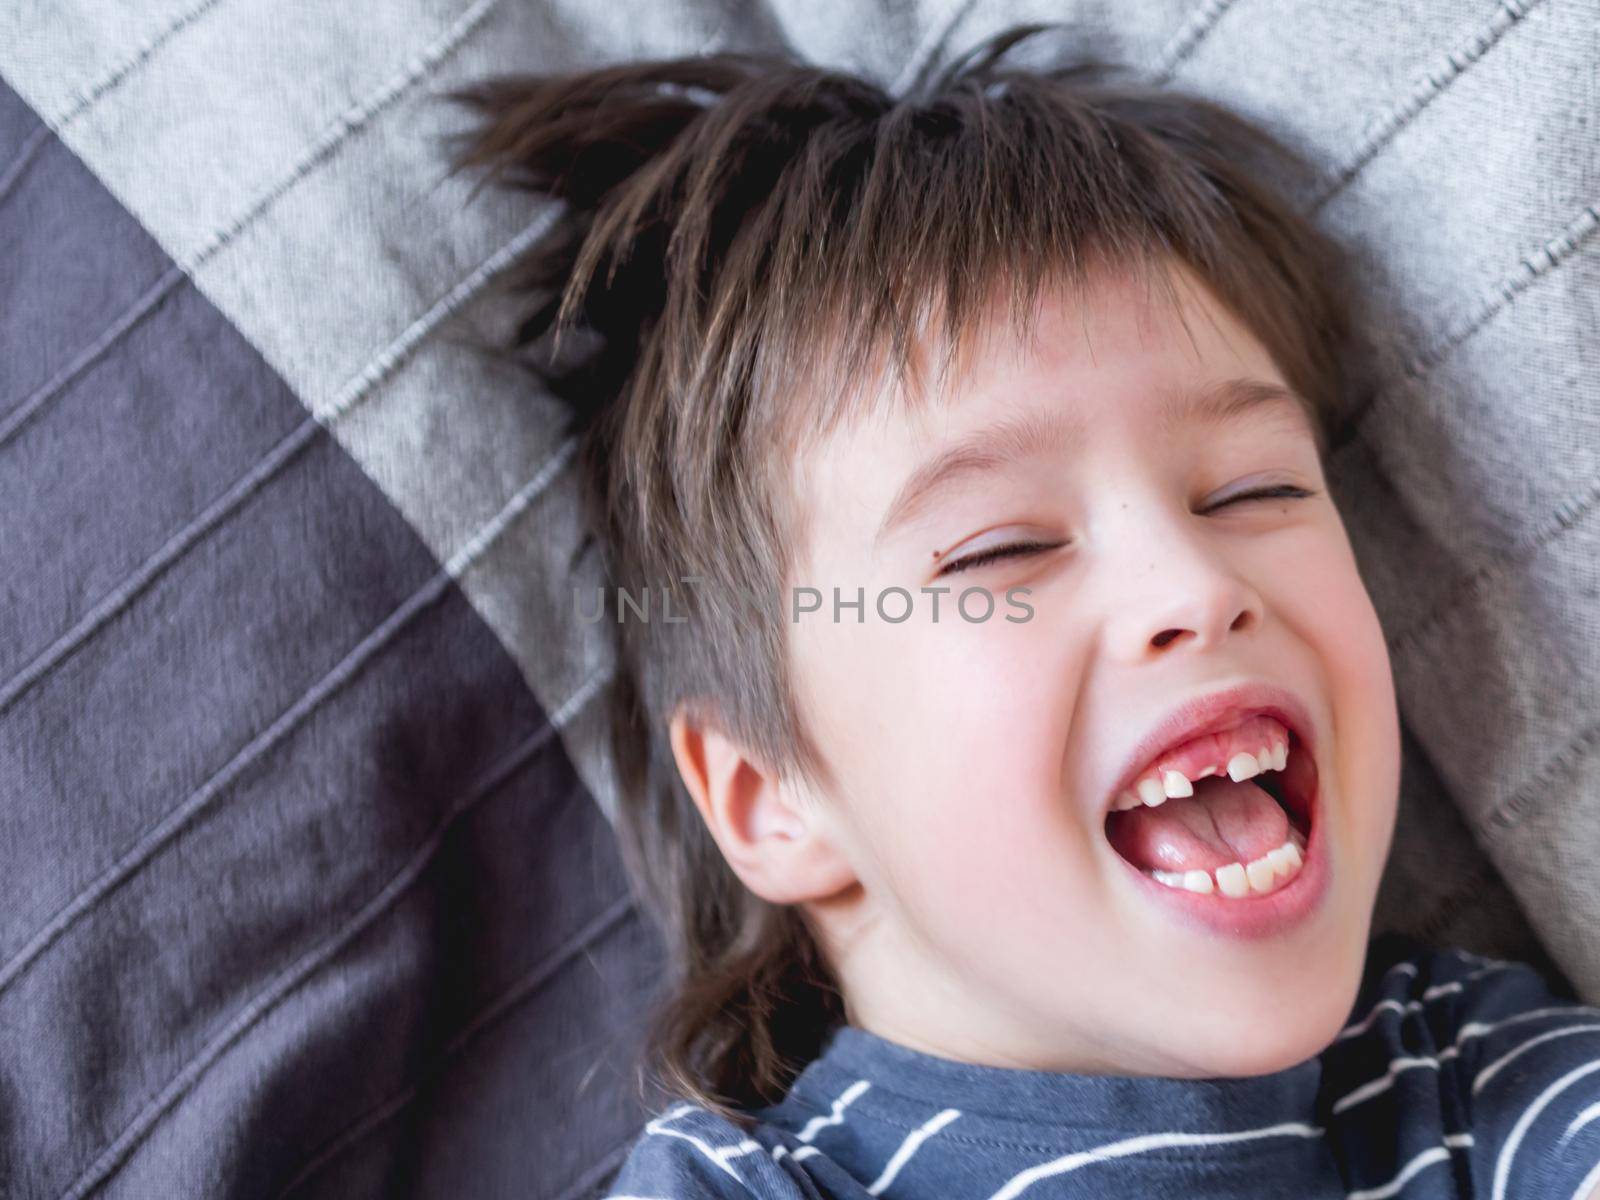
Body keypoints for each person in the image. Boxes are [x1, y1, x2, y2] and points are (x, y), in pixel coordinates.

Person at [447, 22, 1600, 1199]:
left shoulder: (1476, 1092)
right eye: (1003, 548)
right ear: (771, 793)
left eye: (1254, 490)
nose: (1194, 587)